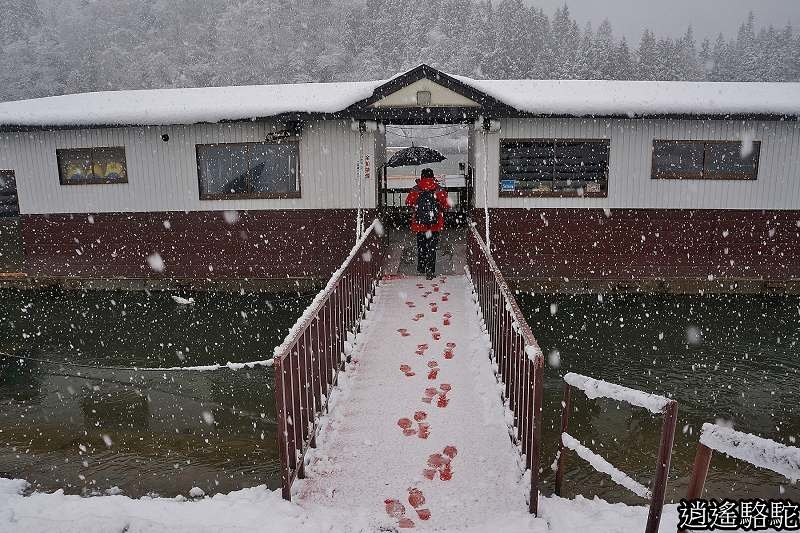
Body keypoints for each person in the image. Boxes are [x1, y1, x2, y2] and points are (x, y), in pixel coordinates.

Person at [406, 168, 450, 280]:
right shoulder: (438, 189)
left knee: (421, 246)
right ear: (432, 176)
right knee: (432, 248)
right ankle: (430, 270)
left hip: (420, 224)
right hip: (434, 225)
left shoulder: (416, 189)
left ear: (422, 176)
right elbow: (446, 205)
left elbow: (408, 202)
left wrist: (417, 208)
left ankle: (421, 267)